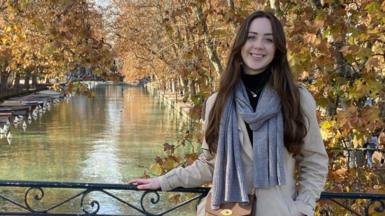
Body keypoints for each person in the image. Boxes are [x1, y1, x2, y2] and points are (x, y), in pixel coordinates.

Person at [129, 10, 328, 216]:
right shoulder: (219, 101)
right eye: (251, 37)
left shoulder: (296, 99)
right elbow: (208, 164)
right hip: (225, 210)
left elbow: (314, 161)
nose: (258, 45)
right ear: (240, 44)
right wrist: (163, 181)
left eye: (268, 40)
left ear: (277, 48)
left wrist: (303, 208)